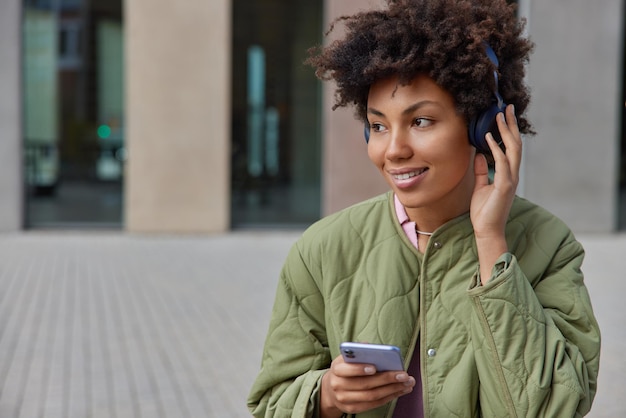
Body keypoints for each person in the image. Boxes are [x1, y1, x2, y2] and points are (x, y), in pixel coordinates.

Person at [247, 0, 601, 416]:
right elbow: (270, 401)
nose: (393, 150)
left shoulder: (549, 244)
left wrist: (491, 246)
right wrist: (325, 395)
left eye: (421, 121)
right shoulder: (322, 250)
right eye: (378, 126)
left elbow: (553, 408)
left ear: (483, 126)